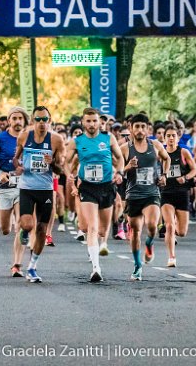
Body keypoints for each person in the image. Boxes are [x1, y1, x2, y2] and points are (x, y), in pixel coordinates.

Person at [67, 107, 125, 283]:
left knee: (102, 229)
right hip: (87, 187)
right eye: (88, 121)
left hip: (106, 186)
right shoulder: (77, 141)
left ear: (99, 122)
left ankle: (90, 234)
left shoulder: (108, 138)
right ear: (83, 122)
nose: (92, 124)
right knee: (92, 227)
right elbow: (65, 160)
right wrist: (69, 173)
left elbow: (120, 158)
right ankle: (96, 268)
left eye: (94, 121)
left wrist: (120, 172)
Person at [12, 106, 65, 283]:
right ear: (33, 121)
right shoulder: (24, 136)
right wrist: (18, 167)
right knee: (27, 224)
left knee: (42, 229)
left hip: (46, 190)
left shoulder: (57, 140)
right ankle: (25, 233)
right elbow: (15, 159)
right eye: (38, 119)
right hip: (27, 187)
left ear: (49, 121)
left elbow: (61, 169)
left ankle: (32, 267)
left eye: (45, 120)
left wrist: (53, 164)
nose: (42, 123)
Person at [120, 113, 171, 281]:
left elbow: (167, 158)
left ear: (147, 128)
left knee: (151, 225)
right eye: (137, 127)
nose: (140, 130)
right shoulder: (125, 148)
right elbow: (118, 172)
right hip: (133, 194)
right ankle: (137, 266)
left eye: (143, 127)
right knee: (134, 231)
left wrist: (164, 175)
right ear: (131, 129)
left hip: (151, 192)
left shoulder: (155, 145)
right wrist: (128, 166)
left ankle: (149, 243)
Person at [0, 107, 28, 277]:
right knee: (5, 228)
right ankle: (12, 224)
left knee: (21, 225)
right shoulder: (0, 139)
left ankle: (17, 265)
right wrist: (0, 173)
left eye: (20, 118)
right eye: (14, 118)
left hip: (23, 186)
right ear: (9, 121)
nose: (17, 121)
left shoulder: (30, 138)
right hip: (4, 188)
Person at [160, 126, 196, 267]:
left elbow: (195, 169)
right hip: (166, 193)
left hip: (182, 193)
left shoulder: (183, 152)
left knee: (181, 232)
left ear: (178, 137)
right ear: (164, 138)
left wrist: (185, 177)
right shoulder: (160, 153)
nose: (170, 138)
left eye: (173, 135)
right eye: (168, 135)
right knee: (169, 226)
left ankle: (175, 229)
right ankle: (171, 257)